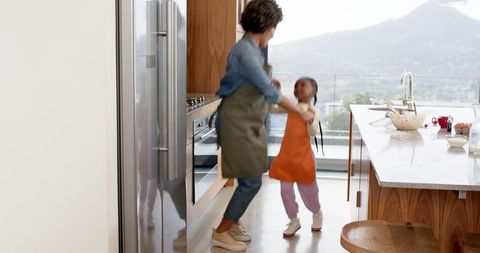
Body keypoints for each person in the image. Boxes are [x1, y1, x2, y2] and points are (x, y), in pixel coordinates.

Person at [211, 0, 314, 251]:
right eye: (274, 27)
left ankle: (232, 221)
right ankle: (222, 231)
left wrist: (270, 82)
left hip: (249, 121)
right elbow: (269, 93)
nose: (274, 32)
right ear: (267, 25)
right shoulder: (246, 52)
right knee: (252, 181)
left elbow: (255, 83)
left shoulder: (253, 49)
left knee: (253, 176)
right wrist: (301, 114)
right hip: (238, 123)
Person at [268, 77, 324, 238]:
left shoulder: (313, 111)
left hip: (303, 159)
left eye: (303, 86)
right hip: (286, 157)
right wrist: (276, 93)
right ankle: (293, 220)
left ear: (313, 91)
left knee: (309, 192)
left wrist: (310, 120)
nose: (298, 88)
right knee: (285, 191)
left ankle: (316, 213)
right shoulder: (291, 108)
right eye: (296, 86)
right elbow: (272, 109)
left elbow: (312, 133)